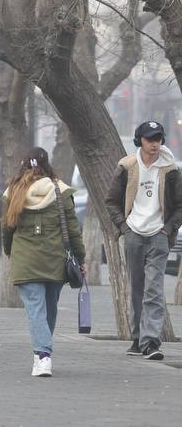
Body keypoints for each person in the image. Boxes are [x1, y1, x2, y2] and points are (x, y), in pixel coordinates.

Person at [1, 147, 85, 378]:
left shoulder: (14, 191)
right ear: (48, 165)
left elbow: (7, 228)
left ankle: (42, 355)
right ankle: (42, 353)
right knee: (49, 308)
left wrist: (9, 251)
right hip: (55, 259)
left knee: (35, 309)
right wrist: (81, 258)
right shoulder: (61, 191)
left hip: (26, 259)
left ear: (23, 164)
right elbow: (73, 230)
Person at [104, 121, 181, 361]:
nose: (154, 144)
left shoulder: (170, 169)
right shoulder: (127, 166)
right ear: (140, 140)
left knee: (154, 289)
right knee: (137, 288)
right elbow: (111, 201)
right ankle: (138, 339)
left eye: (158, 138)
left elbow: (180, 205)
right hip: (134, 235)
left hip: (159, 236)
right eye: (149, 139)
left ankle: (151, 343)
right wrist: (124, 227)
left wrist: (167, 229)